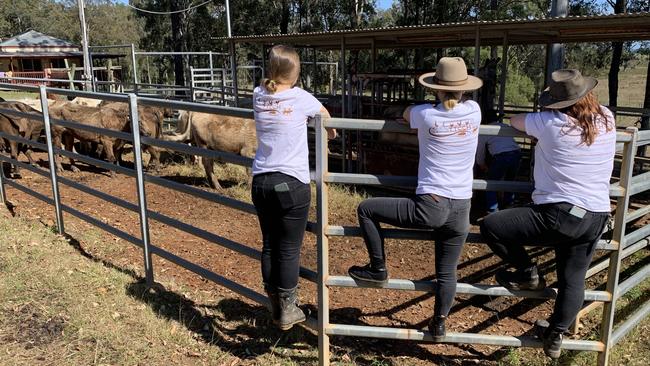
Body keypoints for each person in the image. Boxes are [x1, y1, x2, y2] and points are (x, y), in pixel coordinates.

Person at [479, 69, 615, 359]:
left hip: (560, 213)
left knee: (492, 225)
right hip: (596, 216)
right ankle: (556, 334)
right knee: (573, 278)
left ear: (556, 103)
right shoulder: (607, 118)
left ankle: (528, 272)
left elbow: (515, 122)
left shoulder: (550, 122)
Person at [347, 57, 483, 341]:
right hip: (462, 208)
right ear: (464, 90)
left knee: (366, 209)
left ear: (436, 89)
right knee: (447, 272)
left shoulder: (425, 114)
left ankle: (378, 267)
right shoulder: (474, 111)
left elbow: (407, 113)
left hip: (431, 204)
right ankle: (440, 323)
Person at [252, 45, 336, 330]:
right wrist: (331, 133)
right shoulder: (301, 98)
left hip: (261, 181)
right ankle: (287, 308)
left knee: (269, 244)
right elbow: (326, 119)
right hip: (291, 183)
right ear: (296, 72)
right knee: (288, 249)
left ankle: (276, 304)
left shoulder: (258, 94)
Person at [475, 110, 521, 213]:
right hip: (516, 153)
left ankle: (492, 209)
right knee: (510, 181)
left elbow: (480, 151)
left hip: (501, 156)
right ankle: (509, 204)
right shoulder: (503, 125)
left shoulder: (484, 131)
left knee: (490, 182)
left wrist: (481, 164)